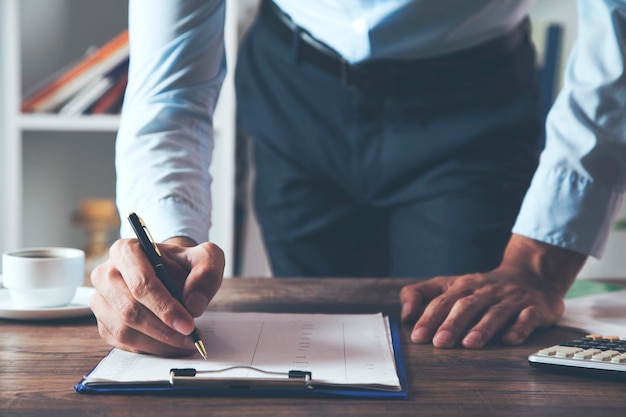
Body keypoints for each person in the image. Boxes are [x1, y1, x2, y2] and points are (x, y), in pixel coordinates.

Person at [90, 0, 626, 357]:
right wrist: (169, 244)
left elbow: (616, 36)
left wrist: (540, 264)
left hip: (470, 98)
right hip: (295, 87)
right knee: (315, 353)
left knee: (463, 345)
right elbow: (170, 91)